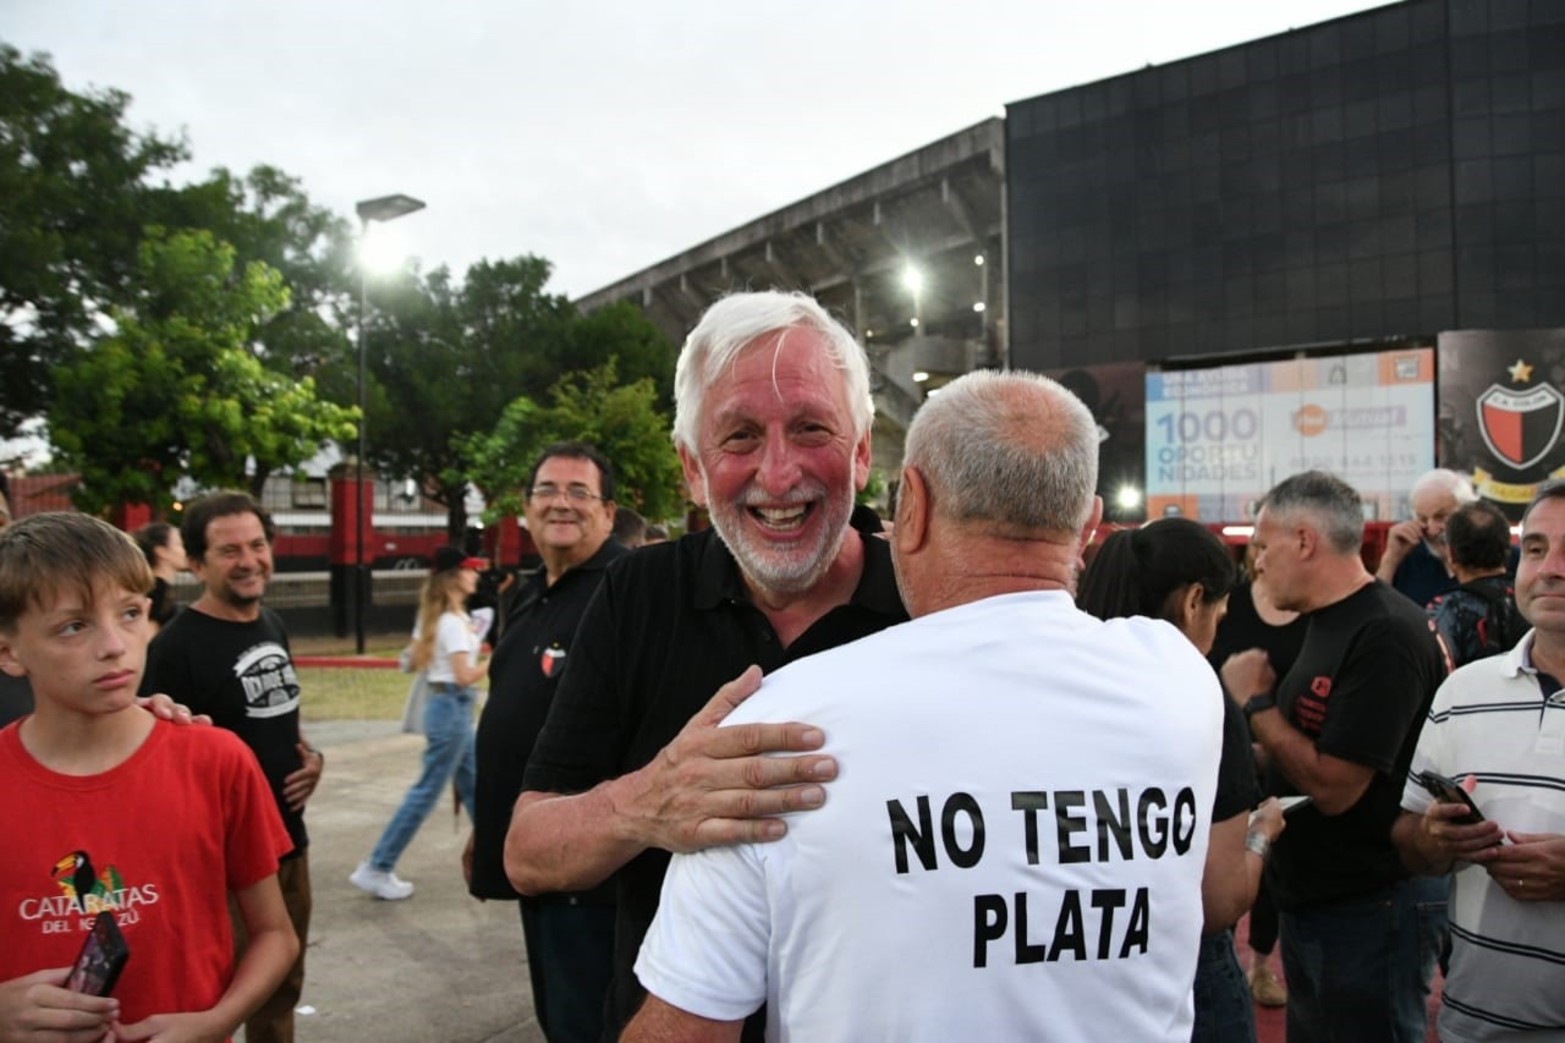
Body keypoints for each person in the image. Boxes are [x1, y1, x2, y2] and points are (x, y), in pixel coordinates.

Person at [625, 370, 1223, 1041]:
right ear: (1087, 523)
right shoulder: (1181, 680)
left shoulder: (780, 728)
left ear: (912, 504)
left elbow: (688, 1023)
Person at [505, 290, 908, 1042]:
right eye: (740, 436)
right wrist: (649, 802)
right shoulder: (637, 594)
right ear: (692, 468)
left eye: (811, 428)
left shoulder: (929, 604)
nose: (778, 475)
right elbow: (528, 852)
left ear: (861, 452)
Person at [0, 512, 298, 1042]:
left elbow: (275, 933)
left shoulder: (216, 761)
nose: (115, 645)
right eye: (74, 626)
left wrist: (215, 1022)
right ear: (8, 651)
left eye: (131, 613)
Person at [1221, 470, 1448, 1042]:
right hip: (1324, 900)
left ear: (1304, 541)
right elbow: (1315, 746)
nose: (1257, 563)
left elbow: (1335, 788)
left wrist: (1256, 704)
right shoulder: (1329, 622)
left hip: (1370, 905)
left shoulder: (1385, 632)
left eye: (1263, 546)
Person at [1078, 518, 1286, 1042]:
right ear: (1194, 602)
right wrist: (1262, 834)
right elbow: (1218, 900)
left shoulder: (1067, 686)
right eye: (1220, 613)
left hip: (1078, 957)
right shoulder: (1202, 703)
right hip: (1182, 970)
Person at [139, 490, 323, 1043]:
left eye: (257, 545)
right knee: (217, 1002)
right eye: (229, 551)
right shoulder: (175, 648)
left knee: (281, 993)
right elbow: (153, 757)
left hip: (289, 845)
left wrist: (312, 758)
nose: (249, 561)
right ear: (197, 565)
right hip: (224, 866)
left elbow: (275, 714)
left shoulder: (272, 623)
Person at [1392, 479, 1565, 1041]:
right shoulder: (1462, 692)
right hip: (1472, 1025)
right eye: (1535, 548)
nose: (1550, 569)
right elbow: (1410, 839)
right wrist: (1434, 840)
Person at [467, 442, 627, 1043]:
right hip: (532, 857)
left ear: (608, 512)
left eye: (579, 492)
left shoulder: (626, 591)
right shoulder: (527, 592)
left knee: (590, 1024)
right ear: (526, 509)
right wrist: (489, 828)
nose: (561, 502)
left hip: (593, 877)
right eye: (547, 490)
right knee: (557, 1020)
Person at [351, 544, 485, 900]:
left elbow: (411, 660)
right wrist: (495, 660)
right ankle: (377, 866)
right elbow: (463, 676)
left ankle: (496, 857)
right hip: (453, 708)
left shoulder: (435, 617)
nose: (475, 575)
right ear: (454, 577)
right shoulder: (452, 623)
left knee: (475, 787)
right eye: (469, 569)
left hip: (447, 708)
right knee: (426, 792)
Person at [1207, 544, 1308, 1010]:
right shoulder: (1232, 604)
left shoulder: (1312, 610)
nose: (1263, 558)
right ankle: (1221, 957)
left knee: (1275, 867)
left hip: (1287, 754)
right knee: (1223, 864)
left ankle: (1260, 964)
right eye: (1259, 547)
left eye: (1272, 546)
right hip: (1224, 752)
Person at [1427, 498, 1527, 669]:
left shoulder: (1446, 610)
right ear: (1507, 547)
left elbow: (1433, 670)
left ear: (1451, 553)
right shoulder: (1530, 599)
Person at [1376, 468, 1478, 607]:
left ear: (1468, 512)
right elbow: (1376, 609)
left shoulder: (1492, 553)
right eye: (1422, 519)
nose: (1431, 530)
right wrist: (1390, 559)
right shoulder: (1408, 553)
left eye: (1441, 517)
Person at [132, 521, 187, 633]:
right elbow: (149, 636)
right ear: (162, 552)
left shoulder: (156, 588)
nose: (186, 551)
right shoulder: (156, 592)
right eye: (180, 545)